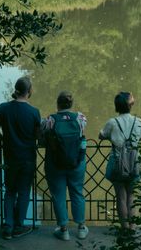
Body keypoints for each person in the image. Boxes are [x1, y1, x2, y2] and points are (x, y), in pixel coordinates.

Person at [0, 76, 41, 240]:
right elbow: (38, 137)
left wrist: (5, 139)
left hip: (10, 158)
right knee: (24, 190)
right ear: (29, 91)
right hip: (27, 158)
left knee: (10, 191)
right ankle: (20, 225)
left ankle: (8, 227)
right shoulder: (34, 112)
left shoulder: (3, 108)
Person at [99, 92, 141, 231]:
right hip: (134, 163)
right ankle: (133, 227)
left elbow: (101, 135)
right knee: (131, 196)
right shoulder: (138, 122)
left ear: (116, 106)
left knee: (120, 197)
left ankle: (124, 229)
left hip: (117, 163)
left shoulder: (112, 122)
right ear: (131, 106)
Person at [41, 91, 89, 241]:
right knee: (77, 192)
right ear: (71, 104)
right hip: (76, 163)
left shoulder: (50, 120)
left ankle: (64, 230)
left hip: (55, 164)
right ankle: (81, 228)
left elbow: (42, 136)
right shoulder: (81, 118)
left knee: (58, 196)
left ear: (57, 104)